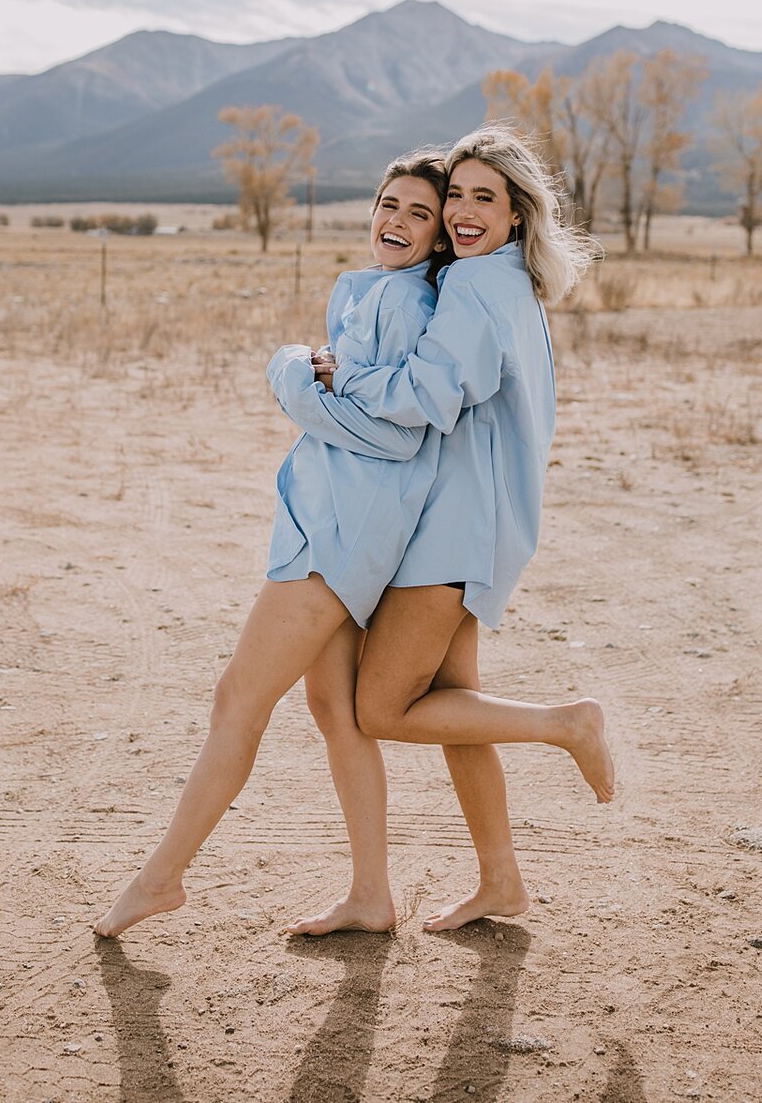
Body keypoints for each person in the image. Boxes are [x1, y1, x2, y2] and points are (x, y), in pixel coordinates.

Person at [94, 151, 525, 940]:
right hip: (332, 522)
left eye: (419, 215)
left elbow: (398, 439)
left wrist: (291, 372)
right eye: (389, 204)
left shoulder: (403, 300)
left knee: (238, 699)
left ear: (437, 239)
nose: (397, 221)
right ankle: (370, 895)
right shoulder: (367, 289)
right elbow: (361, 409)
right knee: (337, 711)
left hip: (341, 536)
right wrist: (313, 376)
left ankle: (161, 879)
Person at [303, 123, 614, 938]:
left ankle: (565, 723)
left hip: (456, 526)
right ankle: (501, 881)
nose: (466, 211)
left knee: (380, 708)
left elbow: (428, 398)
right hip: (487, 519)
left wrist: (338, 375)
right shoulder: (510, 284)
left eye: (487, 197)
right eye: (458, 197)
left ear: (518, 215)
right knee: (452, 704)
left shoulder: (476, 289)